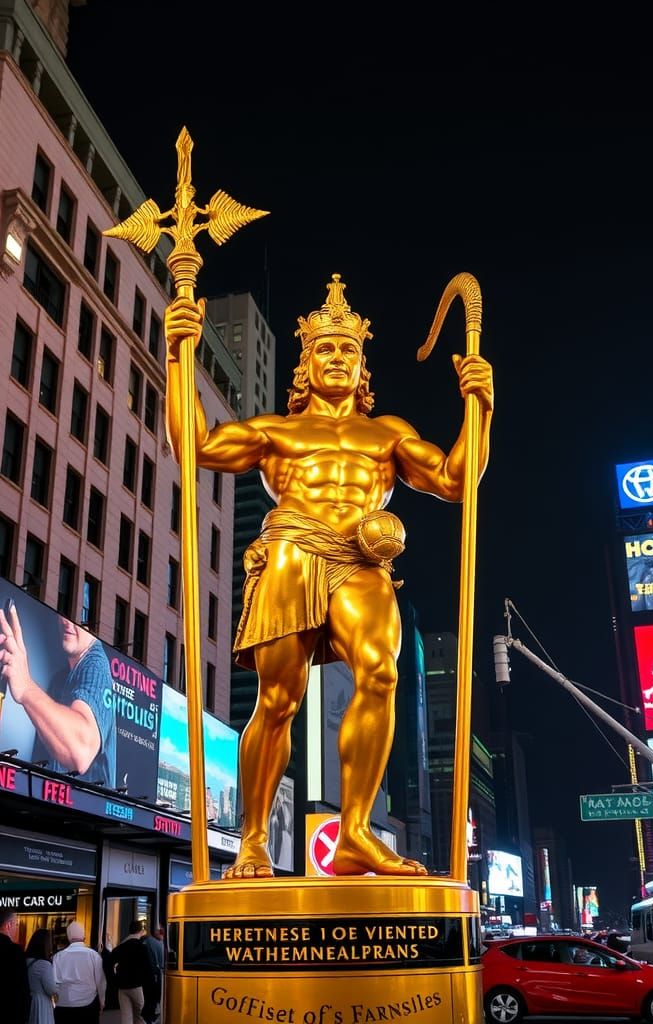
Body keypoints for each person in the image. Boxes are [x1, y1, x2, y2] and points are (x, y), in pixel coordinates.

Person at [165, 275, 493, 878]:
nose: (337, 359)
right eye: (325, 349)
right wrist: (176, 357)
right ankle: (255, 839)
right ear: (305, 362)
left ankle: (356, 833)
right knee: (278, 698)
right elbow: (199, 445)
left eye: (348, 351)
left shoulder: (387, 433)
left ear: (362, 365)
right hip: (292, 550)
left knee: (381, 670)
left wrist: (480, 407)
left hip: (363, 560)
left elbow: (454, 480)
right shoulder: (277, 433)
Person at [0, 611, 116, 785]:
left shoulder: (96, 667)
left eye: (82, 615)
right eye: (64, 613)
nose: (67, 622)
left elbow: (79, 753)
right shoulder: (59, 679)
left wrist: (26, 688)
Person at [53, 921, 105, 1023]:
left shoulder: (58, 957)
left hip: (63, 1005)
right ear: (83, 935)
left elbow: (54, 983)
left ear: (68, 937)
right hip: (88, 1005)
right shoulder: (93, 955)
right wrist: (102, 1001)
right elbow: (101, 982)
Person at [107, 921, 151, 1024]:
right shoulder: (142, 948)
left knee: (126, 1017)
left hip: (122, 988)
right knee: (140, 1016)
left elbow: (109, 965)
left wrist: (115, 980)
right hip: (137, 986)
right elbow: (148, 969)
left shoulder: (120, 947)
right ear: (140, 931)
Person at [26, 929, 57, 1024]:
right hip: (41, 1003)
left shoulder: (27, 960)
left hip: (29, 1002)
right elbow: (51, 989)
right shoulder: (44, 965)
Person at [141, 925, 165, 1023]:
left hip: (146, 976)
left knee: (148, 1000)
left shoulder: (148, 941)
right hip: (156, 976)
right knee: (153, 1001)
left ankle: (148, 1018)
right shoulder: (161, 945)